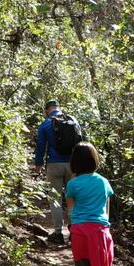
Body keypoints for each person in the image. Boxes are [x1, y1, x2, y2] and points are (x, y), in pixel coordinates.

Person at [63, 141, 114, 266]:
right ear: (95, 159)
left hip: (79, 231)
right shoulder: (103, 182)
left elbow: (71, 210)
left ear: (74, 161)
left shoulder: (72, 184)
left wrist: (72, 228)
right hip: (99, 231)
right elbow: (106, 212)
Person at [34, 99, 75, 244]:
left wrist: (38, 167)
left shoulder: (45, 124)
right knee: (73, 197)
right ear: (59, 107)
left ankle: (58, 233)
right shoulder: (72, 120)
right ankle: (75, 232)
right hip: (73, 164)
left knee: (55, 199)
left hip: (54, 164)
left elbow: (40, 147)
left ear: (46, 110)